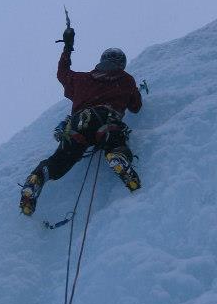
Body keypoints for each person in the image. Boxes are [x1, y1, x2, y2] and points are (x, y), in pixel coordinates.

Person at [20, 22, 142, 216]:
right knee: (113, 141)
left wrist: (67, 47)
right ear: (122, 63)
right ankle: (117, 157)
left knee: (62, 159)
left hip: (78, 125)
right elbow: (136, 107)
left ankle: (38, 177)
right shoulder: (126, 80)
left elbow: (62, 73)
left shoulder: (82, 79)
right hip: (106, 120)